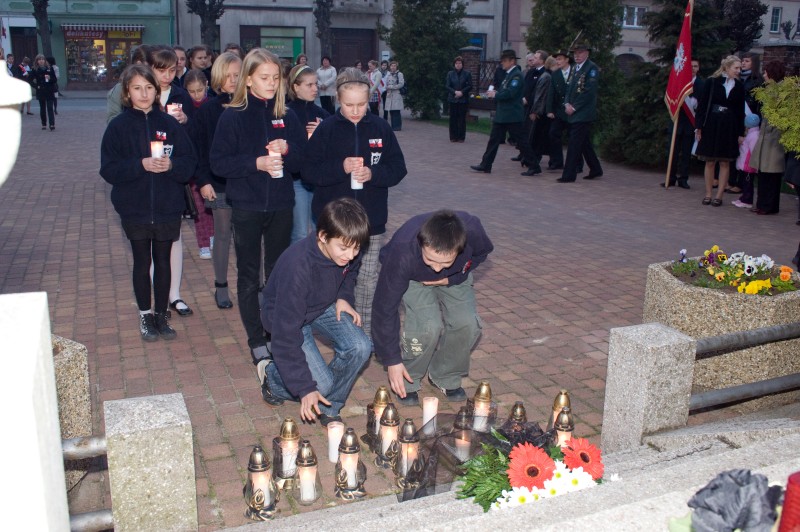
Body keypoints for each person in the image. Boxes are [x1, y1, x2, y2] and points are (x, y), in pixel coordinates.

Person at [210, 48, 307, 366]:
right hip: (248, 206)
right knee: (249, 275)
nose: (271, 83)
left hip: (280, 204)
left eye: (276, 77)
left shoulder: (287, 115)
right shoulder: (233, 115)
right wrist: (256, 163)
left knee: (278, 273)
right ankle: (255, 337)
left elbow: (302, 163)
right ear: (248, 79)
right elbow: (219, 162)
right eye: (264, 77)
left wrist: (289, 149)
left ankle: (274, 332)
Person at [302, 67, 407, 338]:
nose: (356, 111)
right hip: (334, 220)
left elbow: (398, 168)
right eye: (349, 105)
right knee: (333, 275)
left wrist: (374, 174)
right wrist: (340, 167)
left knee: (367, 278)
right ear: (338, 100)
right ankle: (331, 327)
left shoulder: (381, 127)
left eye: (361, 104)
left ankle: (363, 332)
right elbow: (309, 172)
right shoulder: (326, 129)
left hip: (371, 220)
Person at [100, 64, 197, 341]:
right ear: (127, 93)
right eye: (137, 88)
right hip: (135, 207)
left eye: (149, 88)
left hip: (167, 205)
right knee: (142, 262)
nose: (143, 94)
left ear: (157, 91)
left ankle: (162, 314)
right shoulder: (118, 127)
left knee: (163, 261)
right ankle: (145, 315)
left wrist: (171, 165)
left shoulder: (169, 124)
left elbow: (189, 162)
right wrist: (140, 164)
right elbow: (108, 169)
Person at [259, 198, 373, 425]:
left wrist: (343, 297)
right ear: (323, 236)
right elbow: (285, 335)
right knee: (319, 385)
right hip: (288, 318)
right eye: (344, 248)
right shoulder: (298, 268)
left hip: (320, 305)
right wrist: (304, 387)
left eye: (356, 248)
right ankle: (273, 377)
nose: (350, 255)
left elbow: (351, 270)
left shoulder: (348, 246)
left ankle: (331, 407)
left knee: (361, 346)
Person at [372, 210, 494, 405]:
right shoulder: (401, 253)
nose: (436, 269)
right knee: (427, 327)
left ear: (460, 249)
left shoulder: (472, 230)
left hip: (454, 277)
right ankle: (409, 378)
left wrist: (452, 277)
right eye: (431, 260)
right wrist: (391, 359)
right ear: (422, 244)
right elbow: (384, 309)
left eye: (445, 261)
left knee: (467, 324)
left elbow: (481, 254)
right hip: (413, 276)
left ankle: (445, 375)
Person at [194, 51, 242, 310]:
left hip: (248, 181)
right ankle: (221, 285)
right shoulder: (209, 110)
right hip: (218, 181)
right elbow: (199, 150)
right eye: (228, 76)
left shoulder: (250, 105)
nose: (233, 80)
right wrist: (203, 181)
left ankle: (256, 286)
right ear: (217, 78)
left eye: (237, 75)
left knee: (250, 237)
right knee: (223, 234)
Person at [152, 47, 195, 318]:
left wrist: (185, 120)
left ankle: (174, 295)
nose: (168, 75)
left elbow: (192, 138)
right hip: (147, 175)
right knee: (150, 237)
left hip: (173, 173)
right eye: (161, 69)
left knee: (175, 236)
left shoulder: (180, 94)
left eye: (172, 69)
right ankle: (155, 294)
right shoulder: (140, 93)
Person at [470, 49, 537, 175]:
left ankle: (534, 165)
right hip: (503, 115)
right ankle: (486, 164)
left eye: (505, 60)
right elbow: (504, 90)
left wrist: (495, 94)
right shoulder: (508, 74)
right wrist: (496, 93)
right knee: (493, 140)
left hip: (512, 115)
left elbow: (510, 93)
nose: (502, 63)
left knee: (522, 141)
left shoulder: (516, 75)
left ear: (512, 61)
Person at [287, 64, 330, 243]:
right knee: (301, 233)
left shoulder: (323, 114)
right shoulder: (285, 112)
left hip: (319, 180)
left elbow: (334, 148)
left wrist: (324, 132)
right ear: (296, 87)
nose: (315, 89)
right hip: (297, 180)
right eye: (309, 85)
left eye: (316, 84)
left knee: (322, 230)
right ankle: (297, 269)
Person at [695, 55, 745, 206]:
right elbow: (702, 106)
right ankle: (708, 193)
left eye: (740, 68)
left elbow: (740, 110)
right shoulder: (711, 82)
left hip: (729, 126)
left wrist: (740, 133)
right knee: (710, 161)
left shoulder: (739, 86)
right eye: (736, 68)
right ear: (726, 68)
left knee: (725, 162)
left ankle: (719, 195)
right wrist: (699, 127)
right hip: (712, 124)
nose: (738, 71)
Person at [558, 41, 603, 183]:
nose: (577, 55)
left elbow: (588, 92)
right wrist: (566, 103)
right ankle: (596, 169)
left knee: (574, 144)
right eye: (575, 53)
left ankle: (568, 175)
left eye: (580, 53)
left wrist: (574, 107)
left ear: (587, 53)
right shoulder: (575, 68)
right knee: (584, 143)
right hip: (572, 110)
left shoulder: (592, 68)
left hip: (583, 113)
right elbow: (569, 88)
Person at [184, 69, 214, 260]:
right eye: (192, 91)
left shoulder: (211, 106)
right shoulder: (183, 108)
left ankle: (212, 236)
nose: (196, 95)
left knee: (212, 206)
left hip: (209, 163)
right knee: (198, 208)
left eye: (199, 90)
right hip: (192, 165)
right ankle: (203, 243)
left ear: (206, 87)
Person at [750, 60, 786, 215]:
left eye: (766, 72)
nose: (764, 75)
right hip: (766, 136)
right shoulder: (769, 90)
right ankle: (762, 203)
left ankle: (768, 205)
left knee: (772, 174)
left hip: (774, 138)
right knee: (764, 173)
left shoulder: (782, 91)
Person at [663, 59, 702, 189]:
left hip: (690, 123)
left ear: (699, 68)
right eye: (690, 66)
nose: (693, 68)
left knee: (686, 154)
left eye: (695, 66)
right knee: (672, 153)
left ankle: (683, 179)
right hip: (677, 121)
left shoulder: (701, 84)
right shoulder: (679, 82)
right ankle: (671, 177)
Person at [107, 45, 153, 124]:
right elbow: (112, 120)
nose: (153, 70)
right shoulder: (120, 89)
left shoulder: (157, 85)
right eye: (150, 66)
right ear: (139, 63)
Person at [526, 52, 553, 175]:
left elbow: (540, 95)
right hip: (534, 107)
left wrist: (535, 110)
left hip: (540, 111)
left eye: (536, 58)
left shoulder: (545, 76)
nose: (533, 59)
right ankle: (530, 159)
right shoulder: (533, 72)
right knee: (533, 135)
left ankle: (534, 161)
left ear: (543, 61)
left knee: (537, 137)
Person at [732, 114, 760, 209]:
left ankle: (747, 200)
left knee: (748, 183)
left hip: (749, 165)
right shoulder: (752, 134)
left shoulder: (754, 135)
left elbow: (753, 150)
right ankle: (743, 197)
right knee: (745, 182)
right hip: (745, 164)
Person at [445, 55, 472, 143]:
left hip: (463, 99)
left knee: (461, 119)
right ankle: (453, 136)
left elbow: (470, 86)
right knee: (453, 118)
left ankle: (461, 137)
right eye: (456, 63)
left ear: (462, 64)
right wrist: (455, 92)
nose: (458, 65)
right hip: (453, 99)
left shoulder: (467, 74)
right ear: (454, 64)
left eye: (459, 63)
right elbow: (447, 86)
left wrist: (462, 92)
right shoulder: (450, 74)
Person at [31, 55, 57, 131]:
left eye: (43, 59)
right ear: (37, 61)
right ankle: (44, 123)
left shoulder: (49, 68)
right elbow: (30, 80)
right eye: (39, 59)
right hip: (41, 90)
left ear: (45, 61)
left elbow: (54, 79)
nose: (41, 61)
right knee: (42, 108)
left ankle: (52, 124)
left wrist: (50, 78)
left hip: (49, 90)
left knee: (50, 107)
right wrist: (36, 86)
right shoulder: (35, 69)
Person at [384, 61, 405, 131]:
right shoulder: (388, 74)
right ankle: (393, 126)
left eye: (394, 66)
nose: (393, 67)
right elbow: (386, 83)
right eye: (392, 66)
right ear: (390, 67)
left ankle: (397, 127)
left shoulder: (399, 74)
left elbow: (401, 84)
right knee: (391, 111)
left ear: (396, 67)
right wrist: (387, 87)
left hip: (396, 94)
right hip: (389, 95)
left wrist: (391, 87)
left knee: (396, 111)